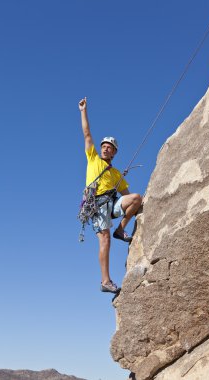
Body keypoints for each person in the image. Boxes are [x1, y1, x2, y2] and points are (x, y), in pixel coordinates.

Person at [79, 97, 142, 294]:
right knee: (104, 239)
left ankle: (120, 230)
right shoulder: (93, 159)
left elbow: (128, 197)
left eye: (110, 147)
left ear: (114, 153)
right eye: (104, 146)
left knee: (137, 198)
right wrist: (83, 111)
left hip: (112, 204)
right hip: (97, 204)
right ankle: (105, 281)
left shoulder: (116, 174)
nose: (106, 148)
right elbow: (87, 134)